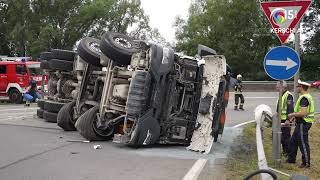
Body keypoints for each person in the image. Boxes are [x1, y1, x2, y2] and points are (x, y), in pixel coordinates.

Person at [287, 80, 315, 168]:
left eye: (298, 86)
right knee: (293, 141)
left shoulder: (304, 98)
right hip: (300, 123)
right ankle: (291, 160)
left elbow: (303, 113)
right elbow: (300, 111)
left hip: (304, 123)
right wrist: (294, 117)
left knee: (303, 143)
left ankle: (306, 163)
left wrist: (292, 114)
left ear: (302, 87)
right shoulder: (304, 96)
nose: (297, 88)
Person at [275, 81, 294, 157]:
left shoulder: (288, 95)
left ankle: (287, 153)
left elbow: (290, 108)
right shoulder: (281, 95)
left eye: (277, 86)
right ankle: (285, 152)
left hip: (285, 121)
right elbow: (280, 107)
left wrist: (288, 120)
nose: (276, 88)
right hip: (280, 120)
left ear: (282, 87)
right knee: (282, 137)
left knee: (286, 137)